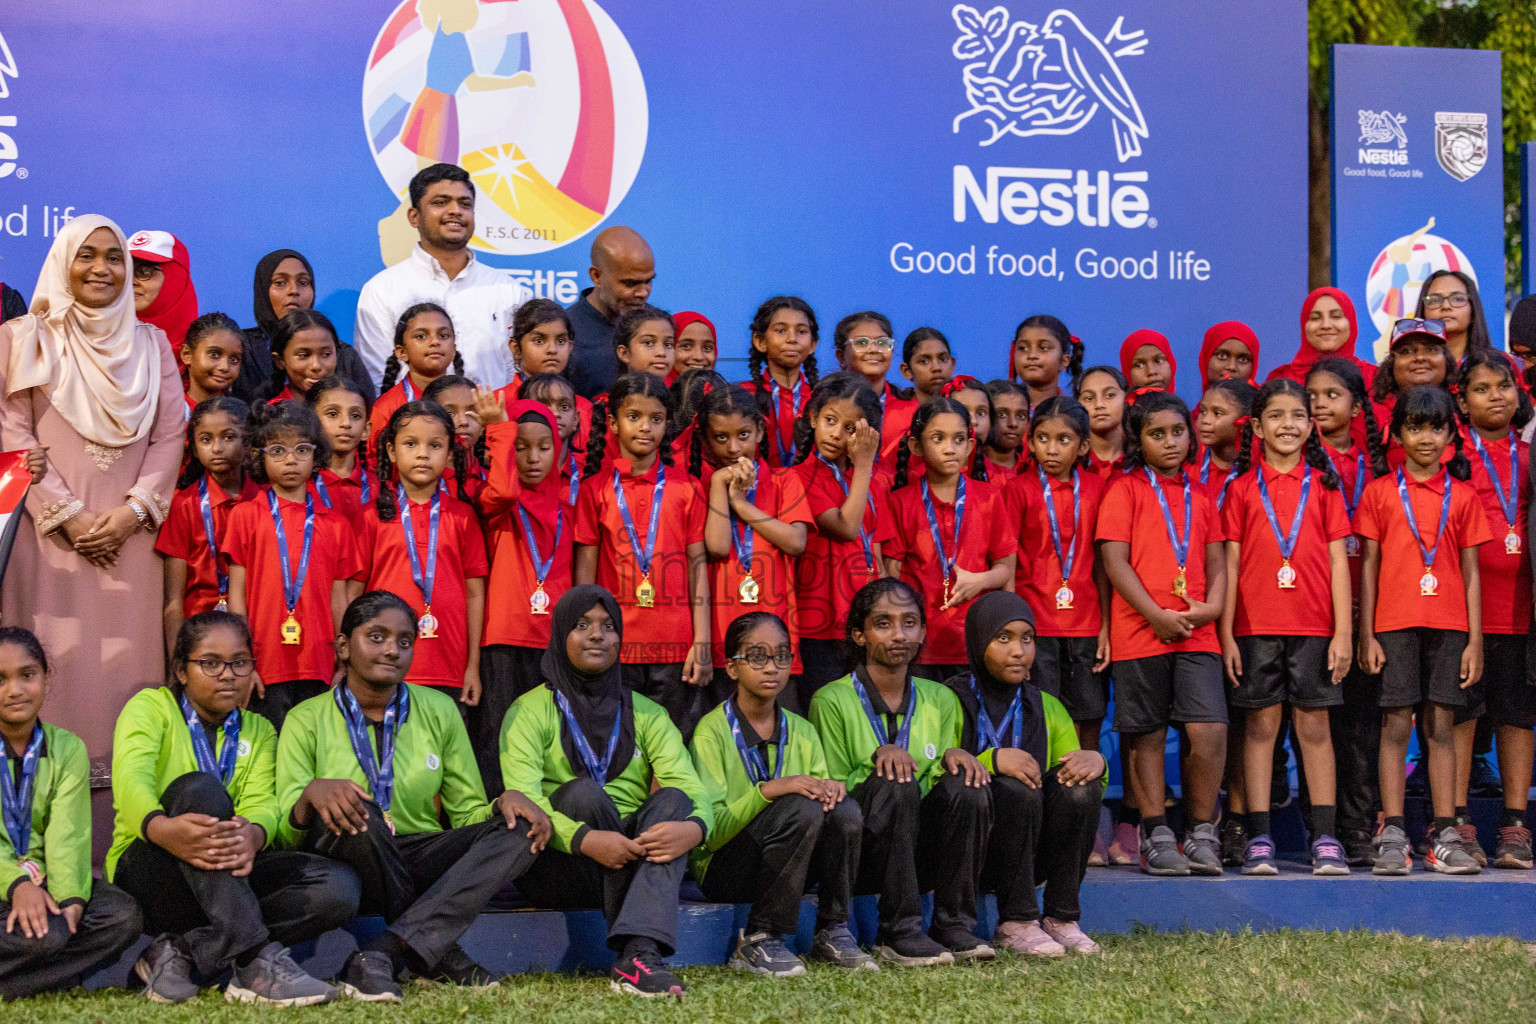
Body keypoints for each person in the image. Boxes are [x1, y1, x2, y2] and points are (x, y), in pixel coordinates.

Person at [0, 215, 187, 811]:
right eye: (87, 256)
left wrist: (134, 512)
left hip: (131, 543)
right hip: (46, 538)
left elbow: (170, 435)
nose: (102, 269)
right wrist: (67, 515)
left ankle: (123, 835)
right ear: (63, 262)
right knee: (47, 665)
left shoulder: (152, 343)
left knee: (126, 677)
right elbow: (12, 434)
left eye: (113, 257)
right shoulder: (21, 337)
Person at [277, 591, 546, 1001]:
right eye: (377, 637)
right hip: (349, 859)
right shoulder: (306, 718)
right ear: (344, 646)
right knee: (357, 810)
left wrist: (499, 804)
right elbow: (285, 836)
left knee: (521, 828)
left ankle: (383, 950)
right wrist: (308, 796)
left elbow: (467, 812)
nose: (392, 650)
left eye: (405, 641)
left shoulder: (440, 709)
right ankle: (439, 956)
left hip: (418, 853)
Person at [109, 612, 356, 1005]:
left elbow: (263, 802)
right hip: (152, 865)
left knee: (336, 888)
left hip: (228, 875)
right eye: (210, 663)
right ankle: (255, 959)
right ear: (182, 670)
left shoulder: (259, 730)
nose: (227, 674)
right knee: (201, 790)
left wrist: (254, 835)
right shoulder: (150, 708)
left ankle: (179, 952)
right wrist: (162, 828)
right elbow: (129, 780)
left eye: (239, 663)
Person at [499, 585, 711, 999]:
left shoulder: (648, 712)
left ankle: (639, 953)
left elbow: (690, 786)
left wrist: (697, 828)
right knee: (583, 795)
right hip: (559, 864)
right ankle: (639, 947)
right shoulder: (527, 711)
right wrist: (585, 838)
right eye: (582, 625)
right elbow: (525, 803)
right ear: (561, 636)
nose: (597, 635)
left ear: (620, 639)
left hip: (630, 855)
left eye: (608, 626)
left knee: (675, 802)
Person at [809, 578, 992, 966]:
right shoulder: (831, 699)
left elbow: (940, 787)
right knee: (895, 780)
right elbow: (832, 791)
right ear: (859, 635)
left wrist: (951, 760)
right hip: (863, 852)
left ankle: (953, 925)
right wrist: (879, 757)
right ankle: (898, 932)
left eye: (910, 623)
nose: (899, 635)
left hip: (919, 849)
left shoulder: (941, 697)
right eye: (883, 623)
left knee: (968, 784)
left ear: (923, 631)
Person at [1218, 379, 1354, 876]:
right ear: (1256, 426)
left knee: (1315, 727)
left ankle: (1325, 839)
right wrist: (1228, 633)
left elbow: (1340, 562)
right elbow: (1229, 566)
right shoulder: (1239, 489)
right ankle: (1258, 837)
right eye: (1275, 416)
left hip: (1316, 627)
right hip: (1255, 628)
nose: (1287, 425)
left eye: (1298, 415)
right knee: (1259, 728)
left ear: (1310, 424)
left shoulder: (1325, 485)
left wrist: (1342, 632)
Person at [689, 612, 873, 975]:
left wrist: (832, 791)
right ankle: (760, 939)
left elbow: (821, 804)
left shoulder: (802, 730)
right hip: (724, 868)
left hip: (790, 861)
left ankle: (832, 929)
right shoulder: (710, 732)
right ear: (731, 667)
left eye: (781, 656)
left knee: (846, 811)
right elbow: (709, 834)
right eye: (757, 656)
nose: (771, 667)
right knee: (798, 808)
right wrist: (772, 789)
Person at [1356, 386, 1489, 875]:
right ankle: (1392, 829)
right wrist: (1366, 633)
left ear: (1452, 433)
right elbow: (1368, 566)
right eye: (1415, 427)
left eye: (1436, 427)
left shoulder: (1465, 495)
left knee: (1441, 729)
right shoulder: (1379, 493)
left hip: (1451, 627)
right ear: (1398, 433)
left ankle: (1445, 831)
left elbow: (1471, 573)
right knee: (1394, 726)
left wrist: (1475, 639)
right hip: (1392, 625)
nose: (1426, 437)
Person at [1096, 390, 1228, 876]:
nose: (1170, 442)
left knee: (1209, 730)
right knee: (1145, 735)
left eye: (1177, 431)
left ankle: (1201, 832)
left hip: (1197, 630)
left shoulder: (1203, 496)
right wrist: (1153, 614)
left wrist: (1212, 607)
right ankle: (1156, 833)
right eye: (1157, 434)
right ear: (1139, 440)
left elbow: (1217, 563)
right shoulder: (1124, 490)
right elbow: (1114, 562)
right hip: (1141, 629)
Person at [941, 592, 1105, 956]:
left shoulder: (1047, 705)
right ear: (978, 640)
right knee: (1015, 788)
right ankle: (1015, 921)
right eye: (1004, 639)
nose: (1018, 650)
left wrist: (1096, 762)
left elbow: (1078, 772)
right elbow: (938, 772)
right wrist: (992, 760)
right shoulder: (947, 699)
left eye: (1027, 639)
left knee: (1079, 787)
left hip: (1031, 856)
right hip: (965, 853)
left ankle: (1060, 918)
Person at [0, 627, 142, 1001]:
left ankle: (18, 982)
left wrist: (70, 900)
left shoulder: (66, 747)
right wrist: (17, 886)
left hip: (42, 879)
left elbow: (69, 832)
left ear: (47, 678)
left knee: (121, 915)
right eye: (0, 680)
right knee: (47, 935)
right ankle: (45, 963)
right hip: (7, 881)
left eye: (26, 675)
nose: (14, 690)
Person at [575, 374, 710, 731]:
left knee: (672, 743)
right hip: (615, 644)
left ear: (667, 423)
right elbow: (585, 579)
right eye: (633, 417)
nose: (645, 427)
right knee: (617, 741)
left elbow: (698, 569)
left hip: (675, 644)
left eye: (656, 419)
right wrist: (586, 635)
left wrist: (702, 641)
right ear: (614, 423)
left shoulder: (687, 487)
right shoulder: (594, 489)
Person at [224, 401, 360, 732]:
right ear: (259, 456)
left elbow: (339, 599)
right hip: (264, 663)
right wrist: (243, 662)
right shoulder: (246, 515)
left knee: (314, 752)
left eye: (302, 449)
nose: (290, 459)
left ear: (317, 456)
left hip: (320, 663)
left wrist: (346, 662)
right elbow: (236, 597)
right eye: (278, 450)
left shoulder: (335, 523)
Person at [1304, 357, 1388, 866]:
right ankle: (1322, 828)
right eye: (1311, 396)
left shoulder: (1379, 467)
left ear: (1357, 406)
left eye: (1332, 395)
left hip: (1373, 612)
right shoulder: (1304, 468)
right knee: (1314, 725)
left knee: (1362, 726)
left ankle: (1359, 827)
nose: (1319, 404)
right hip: (1316, 612)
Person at [1454, 352, 1534, 869]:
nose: (1496, 396)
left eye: (1503, 386)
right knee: (1460, 714)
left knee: (1518, 715)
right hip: (1463, 615)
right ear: (1462, 401)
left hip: (1522, 610)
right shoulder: (1451, 453)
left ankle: (1515, 826)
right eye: (1481, 388)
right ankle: (1456, 821)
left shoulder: (1531, 456)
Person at [473, 398, 575, 793]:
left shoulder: (568, 506)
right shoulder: (495, 502)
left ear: (560, 448)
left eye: (543, 447)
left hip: (552, 641)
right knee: (500, 734)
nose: (533, 458)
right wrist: (499, 430)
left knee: (548, 737)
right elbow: (503, 491)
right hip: (503, 639)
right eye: (521, 447)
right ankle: (497, 818)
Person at [354, 164, 530, 391]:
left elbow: (523, 375)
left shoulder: (509, 291)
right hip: (411, 422)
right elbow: (376, 380)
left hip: (495, 423)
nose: (455, 211)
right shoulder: (383, 290)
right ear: (414, 216)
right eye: (441, 202)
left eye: (465, 204)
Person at [359, 402, 488, 706]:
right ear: (391, 451)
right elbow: (353, 593)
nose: (422, 453)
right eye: (410, 443)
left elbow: (475, 595)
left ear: (449, 454)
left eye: (434, 445)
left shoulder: (463, 516)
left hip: (449, 664)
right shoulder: (371, 516)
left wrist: (472, 667)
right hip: (384, 664)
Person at [884, 398, 1015, 682]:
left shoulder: (988, 497)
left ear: (969, 447)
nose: (949, 448)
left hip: (976, 641)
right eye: (938, 438)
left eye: (958, 440)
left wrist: (979, 581)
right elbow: (891, 574)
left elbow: (1005, 569)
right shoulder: (900, 502)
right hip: (920, 644)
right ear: (917, 446)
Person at [694, 385, 812, 700]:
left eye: (743, 435)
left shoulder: (784, 480)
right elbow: (717, 547)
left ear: (760, 431)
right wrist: (721, 484)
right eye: (721, 438)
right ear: (706, 440)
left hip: (777, 631)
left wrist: (742, 504)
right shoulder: (703, 485)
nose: (734, 448)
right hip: (724, 634)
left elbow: (796, 541)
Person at [791, 373, 888, 710]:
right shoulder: (800, 477)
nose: (836, 433)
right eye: (830, 420)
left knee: (866, 715)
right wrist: (864, 464)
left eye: (850, 428)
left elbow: (876, 547)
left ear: (867, 435)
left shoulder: (874, 482)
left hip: (865, 623)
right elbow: (846, 528)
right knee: (823, 709)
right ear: (813, 418)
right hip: (819, 625)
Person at [156, 396, 256, 656]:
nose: (217, 448)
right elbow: (174, 600)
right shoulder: (185, 504)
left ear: (248, 442)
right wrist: (179, 661)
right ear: (195, 447)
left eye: (229, 437)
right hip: (199, 634)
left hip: (258, 629)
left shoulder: (265, 502)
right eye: (206, 439)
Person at [236, 249, 375, 407]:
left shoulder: (343, 354)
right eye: (280, 283)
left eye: (303, 283)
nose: (293, 291)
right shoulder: (242, 349)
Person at [566, 226, 656, 399]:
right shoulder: (564, 332)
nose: (643, 292)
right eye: (630, 283)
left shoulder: (659, 326)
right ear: (597, 276)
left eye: (648, 281)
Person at [369, 303, 466, 446]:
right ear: (402, 352)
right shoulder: (386, 408)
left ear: (453, 349)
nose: (435, 341)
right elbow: (373, 464)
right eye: (421, 336)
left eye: (443, 335)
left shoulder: (470, 399)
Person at [743, 297, 822, 469]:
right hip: (754, 490)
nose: (792, 339)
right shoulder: (741, 397)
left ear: (812, 345)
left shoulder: (825, 399)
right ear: (760, 341)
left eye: (801, 332)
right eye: (780, 331)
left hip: (812, 492)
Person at [833, 311, 916, 465]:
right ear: (840, 356)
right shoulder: (825, 406)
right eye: (862, 343)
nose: (874, 350)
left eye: (882, 343)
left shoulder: (912, 411)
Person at [1267, 287, 1377, 390]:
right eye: (1315, 318)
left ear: (1351, 323)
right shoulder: (1281, 382)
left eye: (1336, 316)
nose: (1326, 325)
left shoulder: (1376, 380)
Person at [306, 376, 376, 524]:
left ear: (366, 430)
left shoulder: (381, 489)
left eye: (355, 416)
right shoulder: (300, 485)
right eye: (332, 414)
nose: (346, 423)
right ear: (311, 422)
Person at [128, 230, 198, 350]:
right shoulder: (97, 342)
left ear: (176, 278)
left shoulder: (217, 353)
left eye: (144, 271)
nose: (131, 281)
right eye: (126, 270)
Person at [1195, 378, 1257, 509]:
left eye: (1217, 413)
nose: (1205, 420)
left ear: (1245, 421)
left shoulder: (1258, 476)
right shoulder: (1187, 470)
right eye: (1203, 411)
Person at [1414, 269, 1496, 367]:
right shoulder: (1412, 366)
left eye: (1457, 299)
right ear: (1423, 310)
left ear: (1473, 309)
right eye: (1435, 300)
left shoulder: (1499, 364)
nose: (1445, 306)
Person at [1008, 315, 1083, 411]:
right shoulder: (997, 408)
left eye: (1044, 348)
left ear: (1064, 361)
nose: (1032, 355)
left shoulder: (1073, 413)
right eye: (1023, 348)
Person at [179, 313, 244, 411]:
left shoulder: (239, 416)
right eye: (214, 354)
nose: (225, 367)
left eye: (234, 359)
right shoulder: (168, 411)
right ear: (186, 354)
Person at [1075, 365, 1129, 480]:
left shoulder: (1142, 460)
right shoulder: (1070, 462)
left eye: (1110, 395)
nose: (1099, 404)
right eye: (1089, 398)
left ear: (1126, 399)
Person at [897, 328, 956, 408]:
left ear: (952, 364)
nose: (936, 367)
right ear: (907, 371)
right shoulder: (892, 416)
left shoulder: (968, 409)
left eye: (943, 359)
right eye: (924, 361)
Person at [982, 379, 1030, 475]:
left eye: (1021, 416)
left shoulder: (1034, 472)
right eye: (1002, 414)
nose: (1013, 423)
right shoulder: (967, 471)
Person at [1199, 321, 1261, 390]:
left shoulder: (1265, 400)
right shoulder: (1204, 401)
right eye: (1222, 356)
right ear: (1206, 359)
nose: (1232, 367)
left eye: (1243, 360)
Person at [671, 311, 718, 378]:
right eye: (686, 346)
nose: (699, 357)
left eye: (707, 348)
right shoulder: (653, 388)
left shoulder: (723, 388)